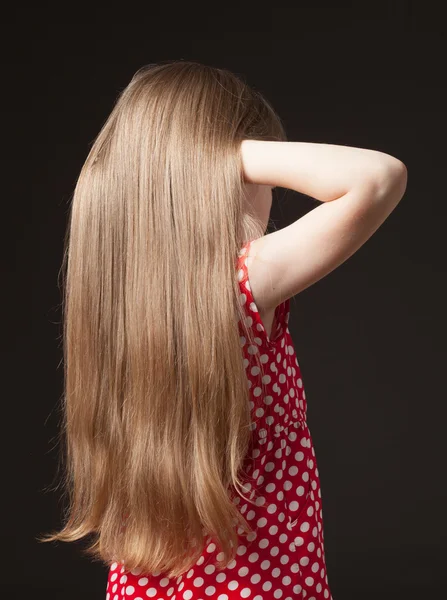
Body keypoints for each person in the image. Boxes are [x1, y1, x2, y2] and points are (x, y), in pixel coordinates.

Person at [38, 60, 407, 600]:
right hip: (262, 587)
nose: (269, 195)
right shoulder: (237, 286)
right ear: (218, 177)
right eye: (255, 179)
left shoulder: (114, 305)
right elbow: (378, 178)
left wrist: (161, 161)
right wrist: (225, 152)